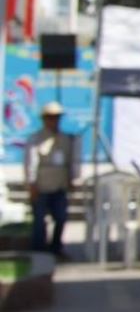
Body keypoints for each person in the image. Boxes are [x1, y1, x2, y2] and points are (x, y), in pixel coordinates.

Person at [24, 101, 79, 254]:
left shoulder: (66, 139)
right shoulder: (36, 139)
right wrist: (31, 184)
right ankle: (38, 252)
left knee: (61, 218)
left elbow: (71, 161)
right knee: (39, 222)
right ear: (44, 119)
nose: (53, 120)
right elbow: (31, 163)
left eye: (56, 117)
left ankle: (56, 248)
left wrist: (72, 179)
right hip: (41, 186)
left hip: (59, 186)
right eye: (50, 117)